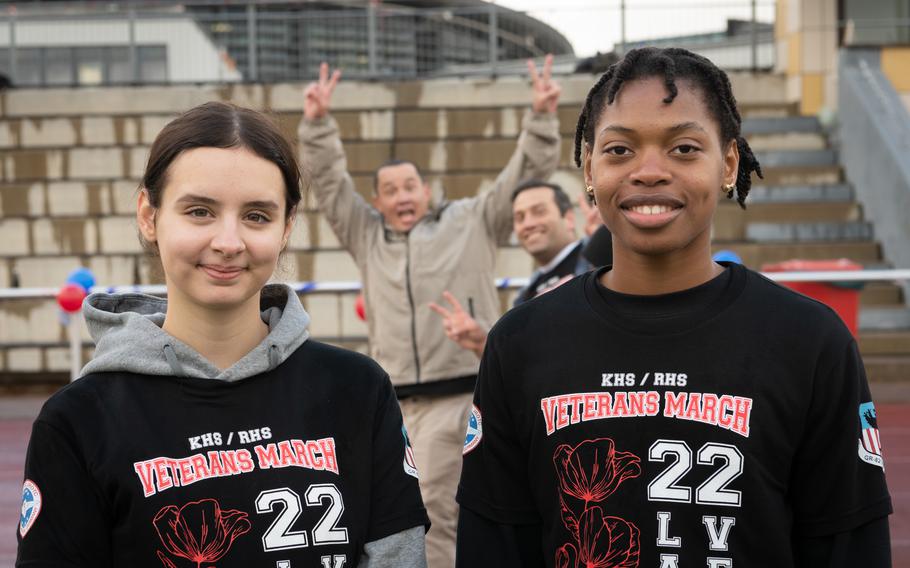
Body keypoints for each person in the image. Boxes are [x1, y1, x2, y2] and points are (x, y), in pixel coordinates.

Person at [456, 47, 892, 567]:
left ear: (728, 163)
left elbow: (848, 544)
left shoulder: (810, 340)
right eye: (619, 151)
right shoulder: (521, 341)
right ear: (589, 168)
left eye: (684, 148)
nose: (650, 171)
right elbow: (494, 547)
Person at [17, 101, 429, 567]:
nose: (228, 242)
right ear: (149, 216)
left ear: (287, 227)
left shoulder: (357, 389)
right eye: (199, 211)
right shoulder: (79, 420)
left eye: (256, 216)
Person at [298, 58, 561, 567]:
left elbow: (522, 178)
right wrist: (316, 124)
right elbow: (329, 184)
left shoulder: (470, 222)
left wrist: (542, 117)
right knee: (398, 516)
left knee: (434, 513)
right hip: (395, 407)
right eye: (390, 190)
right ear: (377, 200)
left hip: (456, 394)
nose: (401, 197)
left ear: (426, 190)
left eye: (409, 187)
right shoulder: (367, 234)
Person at [430, 180, 613, 358]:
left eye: (539, 211)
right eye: (519, 217)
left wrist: (607, 241)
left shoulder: (598, 260)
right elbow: (520, 360)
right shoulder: (525, 296)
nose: (528, 223)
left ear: (569, 218)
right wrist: (481, 342)